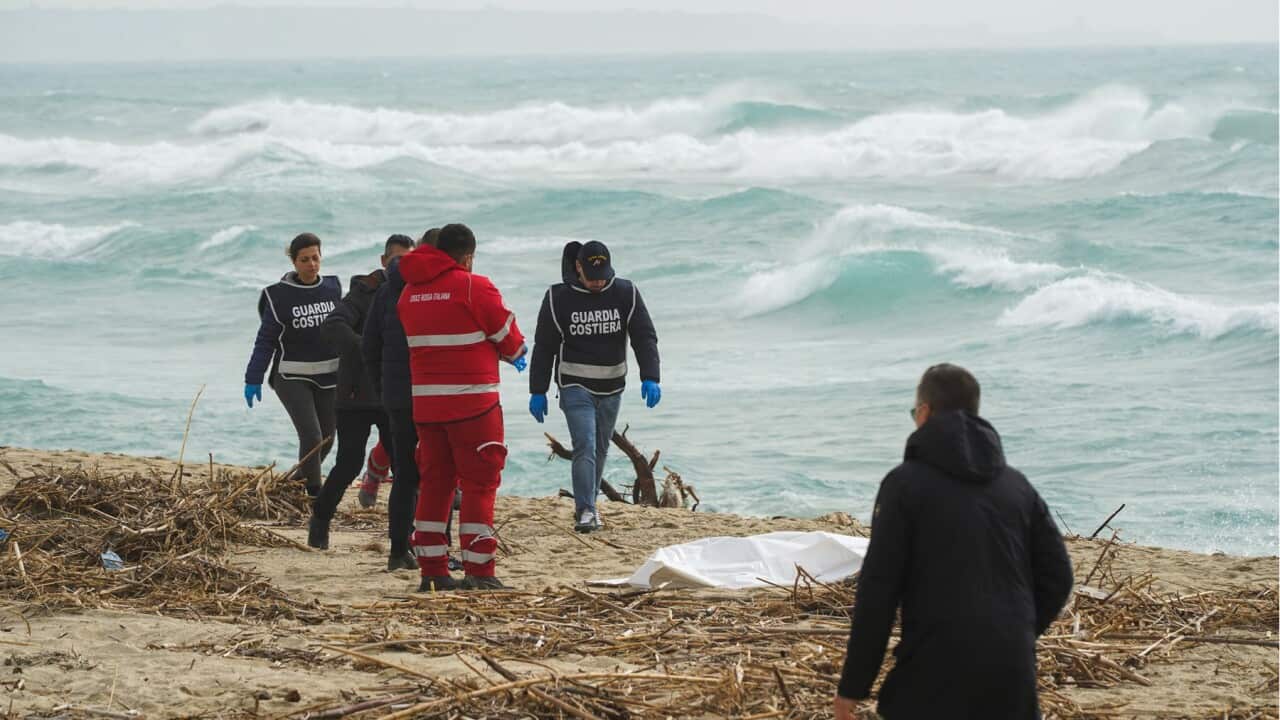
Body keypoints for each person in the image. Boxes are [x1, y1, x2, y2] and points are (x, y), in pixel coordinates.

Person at [834, 364, 1074, 720]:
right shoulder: (1016, 486)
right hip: (1011, 674)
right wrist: (1014, 633)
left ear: (925, 412)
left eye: (915, 411)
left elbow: (878, 590)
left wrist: (853, 686)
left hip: (932, 670)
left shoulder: (904, 485)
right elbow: (1059, 576)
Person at [398, 223, 527, 591]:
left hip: (426, 405)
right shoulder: (474, 286)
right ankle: (479, 571)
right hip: (474, 404)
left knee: (435, 485)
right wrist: (515, 352)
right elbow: (510, 341)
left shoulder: (409, 293)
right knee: (479, 486)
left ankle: (433, 570)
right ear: (468, 256)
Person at [528, 241, 660, 533]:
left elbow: (644, 336)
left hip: (612, 385)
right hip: (574, 384)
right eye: (592, 276)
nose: (598, 282)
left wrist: (651, 376)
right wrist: (537, 389)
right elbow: (544, 346)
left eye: (603, 275)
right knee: (584, 444)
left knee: (599, 448)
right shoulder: (557, 297)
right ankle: (586, 510)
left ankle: (590, 504)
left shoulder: (626, 293)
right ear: (578, 268)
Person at [308, 235, 414, 564]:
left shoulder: (414, 292)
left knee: (404, 467)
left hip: (391, 393)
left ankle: (403, 542)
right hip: (355, 394)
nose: (400, 266)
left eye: (407, 260)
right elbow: (333, 324)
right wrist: (369, 347)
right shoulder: (365, 290)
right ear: (383, 262)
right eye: (395, 260)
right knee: (349, 463)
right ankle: (320, 519)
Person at [362, 230, 441, 569]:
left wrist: (384, 388)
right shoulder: (440, 289)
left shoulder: (385, 291)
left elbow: (369, 347)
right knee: (437, 476)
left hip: (397, 396)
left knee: (407, 475)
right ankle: (433, 550)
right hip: (436, 396)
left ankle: (398, 552)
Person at [244, 233, 342, 495]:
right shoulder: (278, 296)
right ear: (294, 261)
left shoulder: (333, 287)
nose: (311, 264)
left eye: (315, 258)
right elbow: (266, 340)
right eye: (304, 259)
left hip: (329, 375)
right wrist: (253, 377)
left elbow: (343, 330)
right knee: (311, 436)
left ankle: (295, 481)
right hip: (291, 376)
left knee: (328, 439)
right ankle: (314, 492)